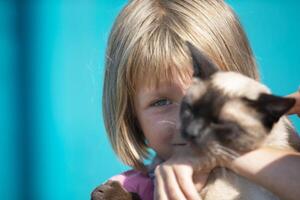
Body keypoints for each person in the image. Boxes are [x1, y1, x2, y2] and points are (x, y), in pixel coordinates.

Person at [100, 0, 300, 200]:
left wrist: (232, 158)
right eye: (161, 102)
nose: (184, 124)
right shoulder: (129, 188)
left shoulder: (280, 162)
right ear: (131, 116)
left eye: (219, 112)